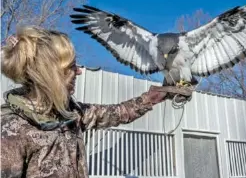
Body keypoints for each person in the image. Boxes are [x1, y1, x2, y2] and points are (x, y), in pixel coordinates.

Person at [1, 26, 172, 178]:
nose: (79, 71)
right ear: (49, 74)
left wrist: (152, 97)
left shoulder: (71, 113)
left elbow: (118, 113)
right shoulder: (11, 130)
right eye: (72, 66)